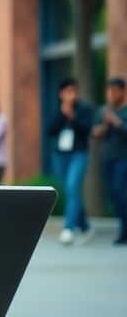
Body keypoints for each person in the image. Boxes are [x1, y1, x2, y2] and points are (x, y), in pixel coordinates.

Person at [46, 78, 95, 245]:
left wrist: (72, 116)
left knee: (73, 186)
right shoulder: (56, 110)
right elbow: (50, 130)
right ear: (60, 94)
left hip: (78, 154)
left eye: (73, 90)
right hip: (60, 155)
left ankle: (68, 228)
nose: (70, 95)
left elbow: (87, 129)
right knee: (69, 190)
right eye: (66, 91)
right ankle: (86, 227)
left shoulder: (84, 109)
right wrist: (62, 114)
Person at [92, 76, 127, 245]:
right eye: (109, 91)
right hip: (107, 158)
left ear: (123, 91)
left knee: (120, 191)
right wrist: (105, 124)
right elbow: (95, 132)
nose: (111, 94)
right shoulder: (102, 111)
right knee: (114, 194)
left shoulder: (125, 111)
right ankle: (123, 227)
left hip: (123, 158)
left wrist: (115, 121)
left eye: (115, 91)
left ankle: (124, 230)